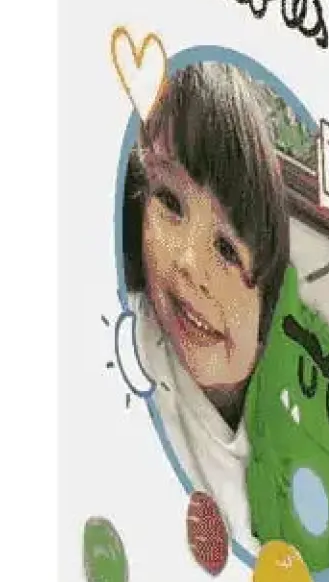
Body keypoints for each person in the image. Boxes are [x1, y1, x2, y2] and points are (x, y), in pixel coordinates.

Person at [122, 63, 290, 542]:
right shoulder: (134, 339)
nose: (188, 262)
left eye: (227, 250)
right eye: (169, 203)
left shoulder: (284, 429)